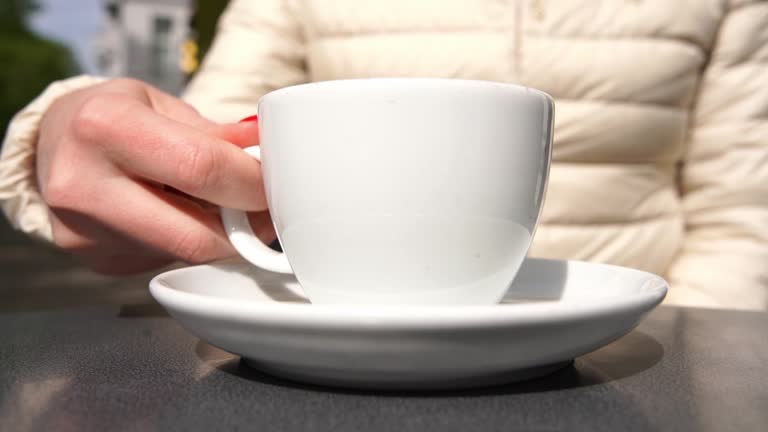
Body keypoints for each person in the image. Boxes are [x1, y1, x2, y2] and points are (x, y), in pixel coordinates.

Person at [1, 0, 766, 309]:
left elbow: (746, 220)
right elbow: (207, 142)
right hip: (326, 381)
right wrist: (62, 128)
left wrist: (670, 363)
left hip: (621, 352)